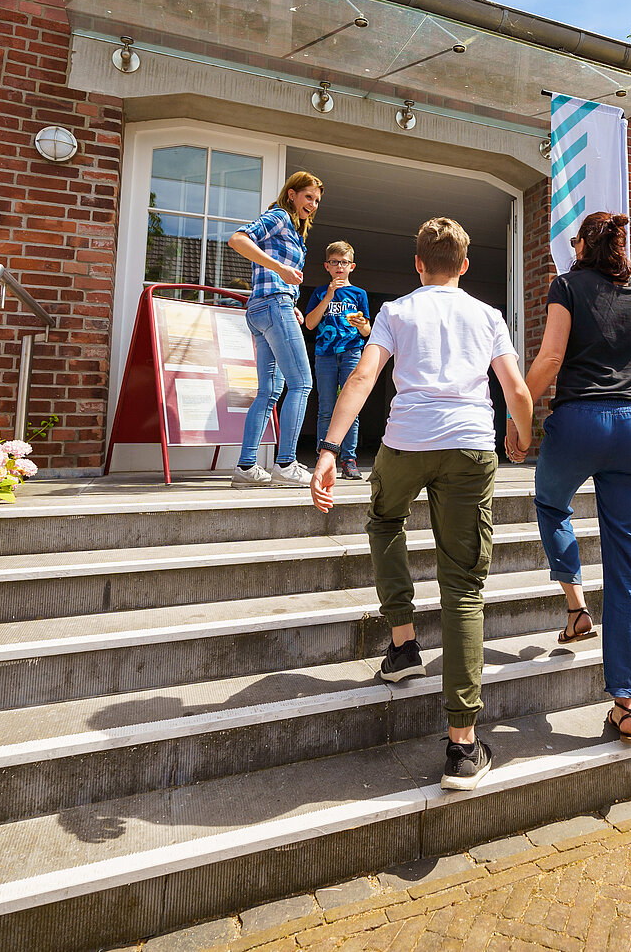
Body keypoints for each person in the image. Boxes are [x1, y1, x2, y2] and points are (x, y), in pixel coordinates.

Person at [310, 217, 534, 791]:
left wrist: (331, 448)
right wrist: (520, 433)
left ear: (417, 264)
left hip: (405, 441)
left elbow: (363, 376)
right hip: (469, 445)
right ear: (464, 265)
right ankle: (462, 747)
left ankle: (404, 641)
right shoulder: (487, 315)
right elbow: (517, 389)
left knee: (384, 519)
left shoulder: (397, 311)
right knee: (463, 586)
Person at [515, 212, 631, 743]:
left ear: (581, 246)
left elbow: (552, 355)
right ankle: (626, 704)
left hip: (578, 421)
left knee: (552, 501)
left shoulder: (567, 285)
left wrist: (520, 417)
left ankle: (576, 605)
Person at [227, 170, 322, 487]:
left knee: (269, 391)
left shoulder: (296, 233)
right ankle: (286, 463)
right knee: (302, 384)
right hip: (271, 306)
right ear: (292, 194)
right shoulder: (279, 216)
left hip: (264, 307)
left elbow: (273, 277)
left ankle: (246, 467)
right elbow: (238, 238)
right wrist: (280, 268)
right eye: (308, 196)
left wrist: (291, 301)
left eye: (317, 200)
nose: (313, 203)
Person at [303, 240, 373, 480]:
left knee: (351, 407)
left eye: (344, 262)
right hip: (325, 354)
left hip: (352, 351)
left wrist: (363, 324)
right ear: (327, 266)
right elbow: (310, 324)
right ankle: (325, 456)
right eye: (335, 262)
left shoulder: (359, 293)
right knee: (326, 408)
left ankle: (349, 459)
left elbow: (367, 332)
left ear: (352, 266)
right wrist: (329, 295)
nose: (339, 266)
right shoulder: (320, 292)